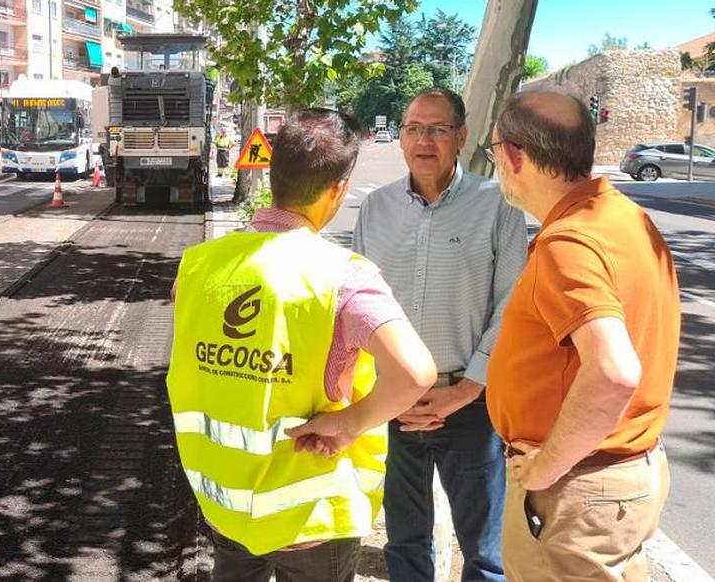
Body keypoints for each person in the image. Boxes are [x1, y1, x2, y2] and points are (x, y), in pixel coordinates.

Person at [170, 109, 438, 582]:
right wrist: (350, 423)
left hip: (226, 504)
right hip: (310, 516)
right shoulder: (343, 277)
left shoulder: (196, 266)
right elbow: (415, 372)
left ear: (274, 175)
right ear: (338, 188)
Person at [484, 91, 679, 581]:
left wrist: (546, 468)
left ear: (512, 156)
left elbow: (614, 371)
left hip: (577, 490)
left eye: (493, 154)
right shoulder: (622, 216)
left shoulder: (569, 242)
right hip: (616, 479)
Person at [353, 88, 526, 582]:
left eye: (437, 129)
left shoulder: (498, 205)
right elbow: (358, 307)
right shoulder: (376, 209)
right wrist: (386, 392)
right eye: (413, 129)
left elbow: (513, 304)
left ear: (461, 137)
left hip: (470, 406)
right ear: (401, 137)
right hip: (393, 406)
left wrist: (467, 388)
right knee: (404, 543)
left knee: (486, 554)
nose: (423, 140)